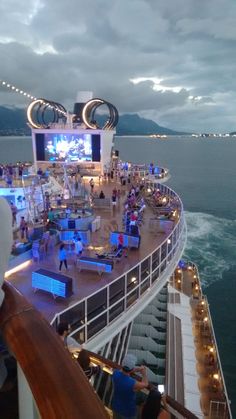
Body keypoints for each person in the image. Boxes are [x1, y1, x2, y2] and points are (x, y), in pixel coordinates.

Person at [112, 354, 148, 419]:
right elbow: (145, 384)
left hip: (116, 407)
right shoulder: (133, 383)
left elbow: (122, 371)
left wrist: (136, 369)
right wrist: (144, 373)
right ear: (132, 368)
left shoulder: (115, 373)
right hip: (128, 412)